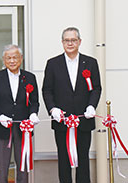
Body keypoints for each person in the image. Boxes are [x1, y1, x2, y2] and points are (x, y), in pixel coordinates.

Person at [42, 27, 101, 183]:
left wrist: (91, 106)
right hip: (62, 121)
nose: (70, 43)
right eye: (67, 40)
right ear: (62, 42)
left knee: (83, 158)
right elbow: (47, 90)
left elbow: (96, 88)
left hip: (84, 120)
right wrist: (52, 108)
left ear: (79, 42)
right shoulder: (53, 63)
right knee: (64, 159)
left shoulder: (90, 63)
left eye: (73, 40)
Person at [0, 44, 40, 183]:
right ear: (4, 60)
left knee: (23, 167)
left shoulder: (30, 77)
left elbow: (34, 102)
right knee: (1, 167)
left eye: (15, 57)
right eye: (8, 58)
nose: (12, 61)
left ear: (21, 58)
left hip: (23, 129)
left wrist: (33, 114)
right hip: (2, 129)